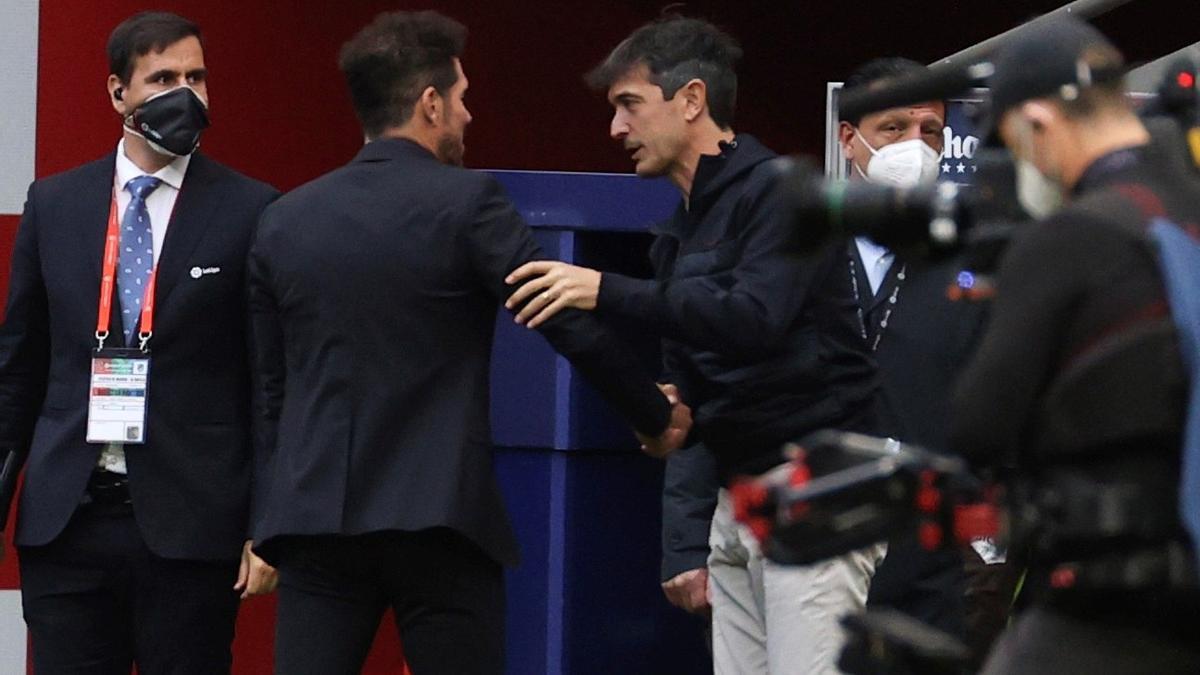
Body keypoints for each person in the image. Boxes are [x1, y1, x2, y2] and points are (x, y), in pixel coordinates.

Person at [247, 11, 689, 675]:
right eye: (460, 98)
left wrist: (268, 516)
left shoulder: (283, 219)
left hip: (316, 520)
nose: (468, 115)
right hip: (439, 519)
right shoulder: (469, 201)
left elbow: (270, 385)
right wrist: (654, 414)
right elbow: (561, 316)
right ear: (429, 104)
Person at [505, 16, 882, 673]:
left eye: (629, 105)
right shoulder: (678, 228)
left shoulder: (783, 192)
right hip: (736, 505)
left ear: (692, 100)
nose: (615, 129)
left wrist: (604, 289)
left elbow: (754, 318)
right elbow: (697, 377)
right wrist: (669, 417)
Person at [0, 11, 279, 674]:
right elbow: (19, 366)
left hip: (190, 528)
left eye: (196, 77)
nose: (184, 93)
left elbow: (270, 380)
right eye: (161, 78)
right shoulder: (57, 203)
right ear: (117, 93)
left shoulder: (253, 210)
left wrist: (269, 525)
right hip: (67, 521)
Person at [950, 16, 1200, 674]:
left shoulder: (1071, 239)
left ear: (1037, 122)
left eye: (1014, 144)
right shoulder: (1186, 215)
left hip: (1114, 613)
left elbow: (978, 424)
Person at [837, 57, 994, 648]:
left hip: (935, 551)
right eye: (894, 130)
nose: (917, 146)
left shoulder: (973, 258)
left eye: (931, 131)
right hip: (818, 530)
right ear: (848, 138)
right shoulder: (794, 250)